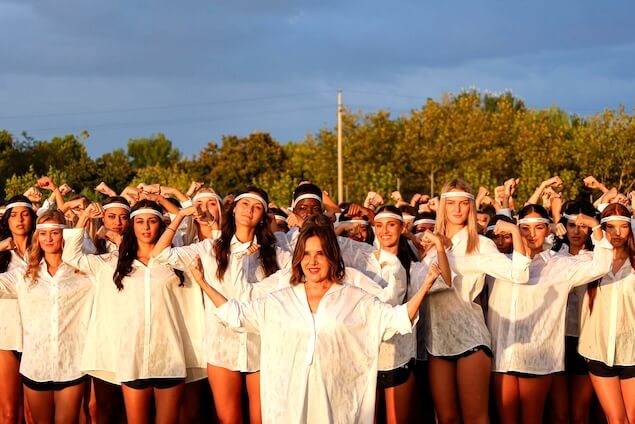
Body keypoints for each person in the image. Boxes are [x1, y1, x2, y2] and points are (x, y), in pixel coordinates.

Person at [188, 214, 445, 423]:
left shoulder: (354, 297)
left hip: (338, 404)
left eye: (320, 254)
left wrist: (425, 286)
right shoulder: (281, 299)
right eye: (307, 255)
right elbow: (237, 315)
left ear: (331, 256)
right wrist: (202, 282)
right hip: (289, 406)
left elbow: (395, 319)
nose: (312, 261)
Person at [151, 187, 290, 424]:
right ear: (234, 208)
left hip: (262, 344)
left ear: (263, 215)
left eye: (257, 207)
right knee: (228, 419)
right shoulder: (210, 249)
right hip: (221, 343)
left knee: (264, 418)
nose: (249, 211)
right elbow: (161, 254)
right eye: (245, 204)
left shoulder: (275, 253)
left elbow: (288, 281)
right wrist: (182, 215)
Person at [63, 200, 192, 424]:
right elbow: (72, 257)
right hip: (132, 357)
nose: (146, 227)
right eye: (140, 221)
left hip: (169, 354)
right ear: (132, 226)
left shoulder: (175, 261)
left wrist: (181, 214)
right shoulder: (113, 262)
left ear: (161, 226)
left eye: (152, 221)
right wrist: (84, 217)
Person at [487, 204, 612, 424]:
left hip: (537, 358)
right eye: (525, 228)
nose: (531, 234)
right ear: (517, 229)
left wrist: (595, 227)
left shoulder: (560, 264)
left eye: (538, 228)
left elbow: (601, 265)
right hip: (502, 356)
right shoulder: (501, 262)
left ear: (548, 230)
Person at [427, 178, 530, 424]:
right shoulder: (430, 244)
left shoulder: (481, 245)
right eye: (451, 203)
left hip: (471, 339)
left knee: (476, 419)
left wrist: (515, 231)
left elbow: (520, 274)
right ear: (442, 206)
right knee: (447, 419)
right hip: (437, 342)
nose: (457, 209)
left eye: (463, 203)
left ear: (471, 207)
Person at [0, 210, 93, 424]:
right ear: (37, 237)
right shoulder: (24, 275)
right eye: (43, 234)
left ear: (65, 236)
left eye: (55, 233)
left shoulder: (85, 273)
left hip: (72, 363)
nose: (48, 239)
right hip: (36, 365)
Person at [579, 203, 635, 423]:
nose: (617, 233)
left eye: (623, 226)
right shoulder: (590, 263)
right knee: (615, 418)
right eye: (610, 227)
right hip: (598, 349)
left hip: (631, 349)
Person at [547, 201, 598, 424]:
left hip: (586, 339)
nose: (577, 231)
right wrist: (548, 228)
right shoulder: (552, 255)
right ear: (564, 226)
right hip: (556, 339)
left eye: (583, 226)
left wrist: (597, 227)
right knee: (560, 414)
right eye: (571, 225)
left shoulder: (598, 257)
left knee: (580, 413)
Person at [0, 196, 36, 424]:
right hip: (6, 335)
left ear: (33, 218)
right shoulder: (3, 253)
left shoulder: (43, 249)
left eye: (25, 214)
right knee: (10, 413)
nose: (20, 219)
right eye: (14, 215)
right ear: (6, 221)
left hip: (37, 336)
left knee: (34, 414)